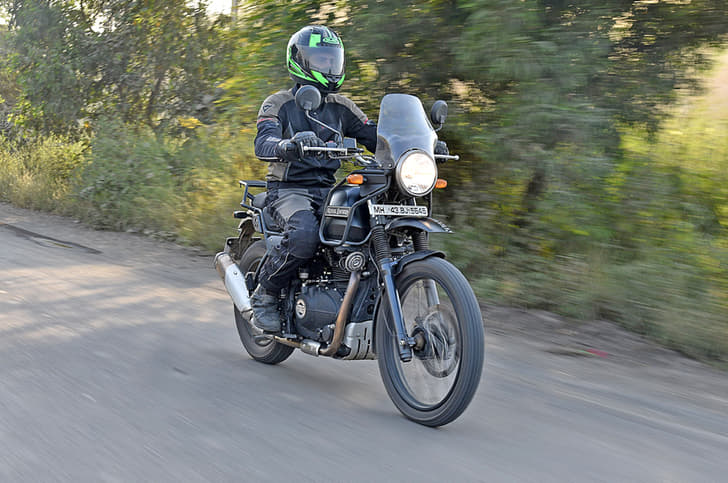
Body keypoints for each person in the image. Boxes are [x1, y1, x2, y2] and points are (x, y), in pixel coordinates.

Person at [250, 25, 378, 332]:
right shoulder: (279, 102)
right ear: (300, 61)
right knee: (304, 235)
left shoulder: (341, 106)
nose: (329, 66)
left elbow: (376, 136)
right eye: (321, 60)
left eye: (332, 60)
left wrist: (415, 146)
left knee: (371, 228)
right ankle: (265, 293)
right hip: (289, 189)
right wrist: (286, 145)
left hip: (328, 189)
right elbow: (263, 141)